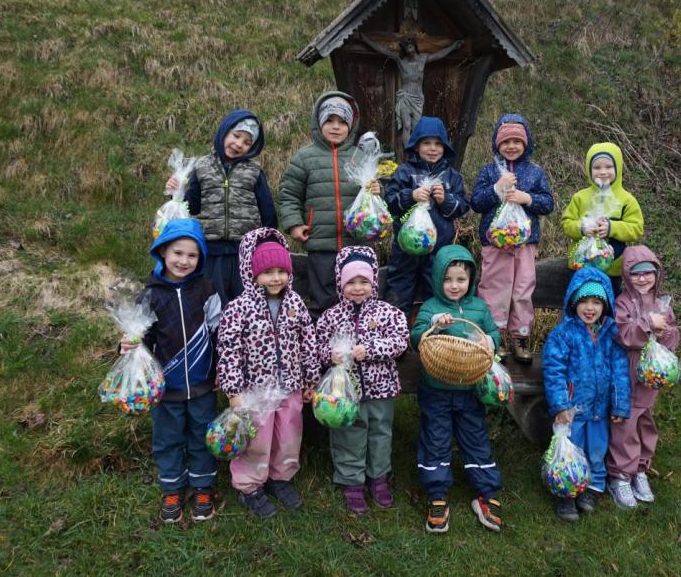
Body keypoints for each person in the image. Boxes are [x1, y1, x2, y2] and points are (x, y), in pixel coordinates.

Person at [119, 217, 222, 523]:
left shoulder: (206, 289)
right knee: (167, 438)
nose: (184, 261)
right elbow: (142, 338)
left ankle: (203, 485)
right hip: (165, 388)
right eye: (178, 253)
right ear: (162, 251)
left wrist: (220, 368)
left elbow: (219, 332)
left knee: (202, 435)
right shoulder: (150, 293)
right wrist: (128, 347)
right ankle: (172, 487)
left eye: (192, 255)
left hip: (203, 383)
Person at [216, 228, 319, 518]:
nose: (275, 278)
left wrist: (310, 380)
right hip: (254, 391)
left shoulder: (295, 303)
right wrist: (233, 390)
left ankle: (280, 477)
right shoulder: (239, 309)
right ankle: (250, 486)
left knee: (288, 435)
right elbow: (229, 350)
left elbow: (307, 343)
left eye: (281, 271)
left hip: (290, 386)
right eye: (267, 272)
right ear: (252, 273)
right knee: (256, 439)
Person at [411, 245, 504, 533]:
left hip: (470, 388)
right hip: (436, 388)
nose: (454, 285)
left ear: (470, 280)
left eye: (460, 279)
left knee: (475, 436)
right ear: (438, 279)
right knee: (436, 437)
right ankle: (437, 494)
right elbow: (417, 338)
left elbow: (494, 334)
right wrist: (435, 326)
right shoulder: (431, 308)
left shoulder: (478, 307)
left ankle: (486, 493)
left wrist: (489, 342)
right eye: (448, 279)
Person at [315, 246, 409, 514]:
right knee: (349, 434)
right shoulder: (331, 317)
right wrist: (329, 355)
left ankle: (379, 478)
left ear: (373, 282)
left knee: (380, 433)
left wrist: (371, 350)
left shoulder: (388, 313)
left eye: (364, 281)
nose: (358, 288)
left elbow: (400, 342)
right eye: (351, 282)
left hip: (381, 389)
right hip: (343, 395)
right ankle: (351, 481)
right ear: (340, 283)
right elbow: (316, 346)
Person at [279, 92, 380, 318]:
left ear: (351, 126)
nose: (336, 127)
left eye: (342, 122)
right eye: (329, 121)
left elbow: (372, 199)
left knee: (357, 296)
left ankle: (357, 347)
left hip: (355, 242)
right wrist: (294, 224)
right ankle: (322, 349)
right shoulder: (304, 158)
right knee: (322, 298)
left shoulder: (360, 156)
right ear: (319, 123)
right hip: (321, 242)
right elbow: (289, 195)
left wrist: (375, 192)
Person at [542, 266, 630, 521]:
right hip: (572, 412)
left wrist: (620, 406)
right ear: (573, 302)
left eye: (596, 302)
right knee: (570, 452)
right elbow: (554, 371)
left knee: (596, 451)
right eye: (584, 301)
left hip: (599, 410)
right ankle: (566, 495)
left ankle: (591, 488)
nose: (590, 308)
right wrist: (560, 405)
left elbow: (620, 372)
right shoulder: (563, 335)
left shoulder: (610, 335)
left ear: (606, 305)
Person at [166, 109, 277, 305]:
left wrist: (268, 243)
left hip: (245, 251)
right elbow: (191, 206)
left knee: (244, 302)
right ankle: (213, 335)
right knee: (212, 301)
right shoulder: (201, 167)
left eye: (247, 142)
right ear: (224, 131)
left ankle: (242, 335)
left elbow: (267, 210)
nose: (239, 144)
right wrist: (178, 190)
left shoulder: (254, 171)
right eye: (236, 136)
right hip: (211, 250)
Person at [470, 113, 555, 363]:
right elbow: (476, 202)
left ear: (526, 144)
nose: (511, 146)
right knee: (495, 289)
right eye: (506, 142)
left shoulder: (535, 173)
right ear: (497, 145)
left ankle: (521, 337)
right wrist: (497, 189)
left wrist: (526, 198)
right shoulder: (488, 172)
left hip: (526, 242)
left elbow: (548, 203)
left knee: (522, 289)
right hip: (495, 241)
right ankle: (494, 338)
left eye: (517, 141)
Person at [606, 246, 680, 508]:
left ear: (657, 275)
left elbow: (672, 336)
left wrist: (664, 334)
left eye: (648, 273)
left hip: (650, 377)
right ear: (627, 276)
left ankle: (640, 468)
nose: (642, 279)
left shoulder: (662, 304)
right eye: (636, 274)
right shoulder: (623, 303)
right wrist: (648, 324)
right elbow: (623, 334)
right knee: (625, 424)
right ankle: (620, 475)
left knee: (645, 421)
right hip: (627, 375)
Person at [385, 116, 470, 318]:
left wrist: (445, 200)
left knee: (437, 293)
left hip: (439, 249)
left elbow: (463, 206)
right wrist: (411, 196)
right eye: (426, 143)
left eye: (438, 144)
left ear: (445, 148)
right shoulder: (404, 172)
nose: (432, 149)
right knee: (399, 289)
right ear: (416, 147)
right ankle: (395, 337)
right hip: (406, 249)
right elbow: (390, 203)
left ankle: (436, 339)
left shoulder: (452, 176)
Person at [560, 142, 644, 296]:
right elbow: (566, 224)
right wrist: (582, 228)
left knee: (608, 306)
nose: (603, 172)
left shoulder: (626, 200)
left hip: (612, 268)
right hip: (581, 266)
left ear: (618, 168)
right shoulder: (580, 197)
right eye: (597, 167)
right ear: (588, 169)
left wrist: (612, 228)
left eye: (608, 167)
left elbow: (636, 228)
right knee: (579, 301)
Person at [358, 33, 463, 147]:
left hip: (418, 98)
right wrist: (365, 39)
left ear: (415, 46)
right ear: (404, 49)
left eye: (411, 45)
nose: (409, 48)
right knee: (407, 125)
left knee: (416, 127)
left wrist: (452, 47)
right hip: (405, 97)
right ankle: (408, 151)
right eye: (407, 47)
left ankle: (416, 152)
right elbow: (382, 50)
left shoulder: (423, 59)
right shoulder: (400, 60)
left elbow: (439, 55)